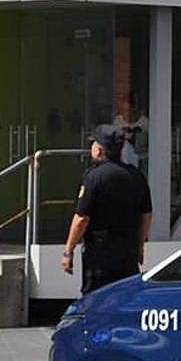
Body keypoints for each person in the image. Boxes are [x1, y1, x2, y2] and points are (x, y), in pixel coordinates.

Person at [60, 124, 152, 294]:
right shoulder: (137, 176)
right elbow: (146, 215)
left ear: (99, 150)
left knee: (96, 299)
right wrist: (139, 247)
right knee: (126, 297)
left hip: (100, 255)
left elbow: (82, 219)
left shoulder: (93, 177)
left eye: (93, 144)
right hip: (128, 250)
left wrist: (68, 251)